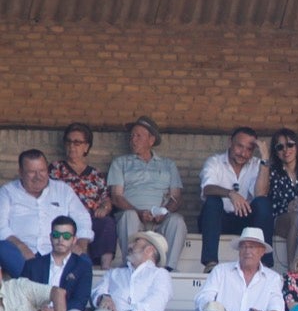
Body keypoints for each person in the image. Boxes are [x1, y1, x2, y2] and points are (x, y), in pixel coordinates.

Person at [107, 116, 186, 272]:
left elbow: (176, 197)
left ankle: (167, 269)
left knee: (177, 220)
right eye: (131, 137)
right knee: (128, 216)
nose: (133, 140)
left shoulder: (168, 165)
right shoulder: (121, 163)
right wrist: (138, 212)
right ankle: (131, 266)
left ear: (151, 140)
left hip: (160, 219)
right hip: (134, 217)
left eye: (138, 136)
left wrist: (164, 212)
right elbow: (116, 196)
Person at [0, 149, 92, 278]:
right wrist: (21, 246)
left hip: (57, 250)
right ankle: (41, 286)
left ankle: (39, 285)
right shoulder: (7, 192)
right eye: (32, 172)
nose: (38, 176)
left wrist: (80, 245)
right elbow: (1, 226)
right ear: (20, 172)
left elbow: (83, 219)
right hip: (20, 254)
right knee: (2, 248)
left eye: (42, 171)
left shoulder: (63, 190)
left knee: (84, 262)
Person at [194, 227, 286, 311]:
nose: (247, 251)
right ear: (239, 250)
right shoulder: (221, 271)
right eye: (244, 246)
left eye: (252, 247)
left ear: (262, 251)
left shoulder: (273, 278)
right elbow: (203, 298)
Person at [198, 126, 274, 271]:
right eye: (239, 146)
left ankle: (265, 263)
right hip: (217, 221)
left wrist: (265, 159)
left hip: (246, 222)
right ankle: (210, 263)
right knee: (213, 200)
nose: (243, 153)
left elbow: (260, 194)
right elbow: (207, 188)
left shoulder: (257, 164)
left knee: (263, 203)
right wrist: (230, 193)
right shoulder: (215, 162)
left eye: (249, 149)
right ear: (230, 143)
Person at [49, 123, 116, 269]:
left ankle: (105, 268)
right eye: (69, 142)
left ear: (86, 147)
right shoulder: (56, 169)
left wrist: (104, 207)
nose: (72, 146)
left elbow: (106, 198)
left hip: (91, 217)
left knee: (107, 223)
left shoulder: (95, 174)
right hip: (65, 215)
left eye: (77, 142)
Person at [254, 128, 298, 270]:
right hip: (281, 220)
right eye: (280, 147)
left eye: (290, 145)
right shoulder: (271, 171)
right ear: (275, 151)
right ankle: (293, 269)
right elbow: (259, 195)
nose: (286, 150)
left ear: (297, 146)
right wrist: (265, 159)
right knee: (295, 218)